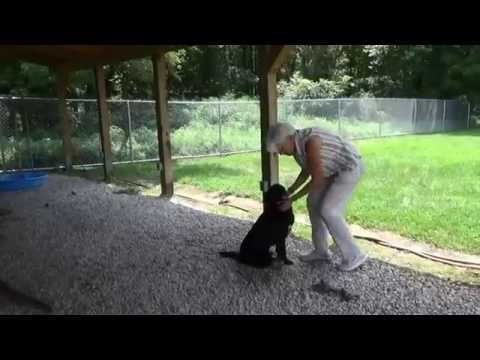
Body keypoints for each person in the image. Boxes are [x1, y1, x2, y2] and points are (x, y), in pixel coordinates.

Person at [266, 122, 368, 272]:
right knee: (313, 203)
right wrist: (291, 190)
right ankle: (321, 251)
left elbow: (317, 179)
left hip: (349, 168)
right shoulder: (297, 147)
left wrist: (292, 200)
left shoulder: (311, 143)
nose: (280, 153)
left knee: (329, 210)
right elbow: (308, 170)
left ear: (288, 139)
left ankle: (354, 255)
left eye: (280, 148)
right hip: (332, 171)